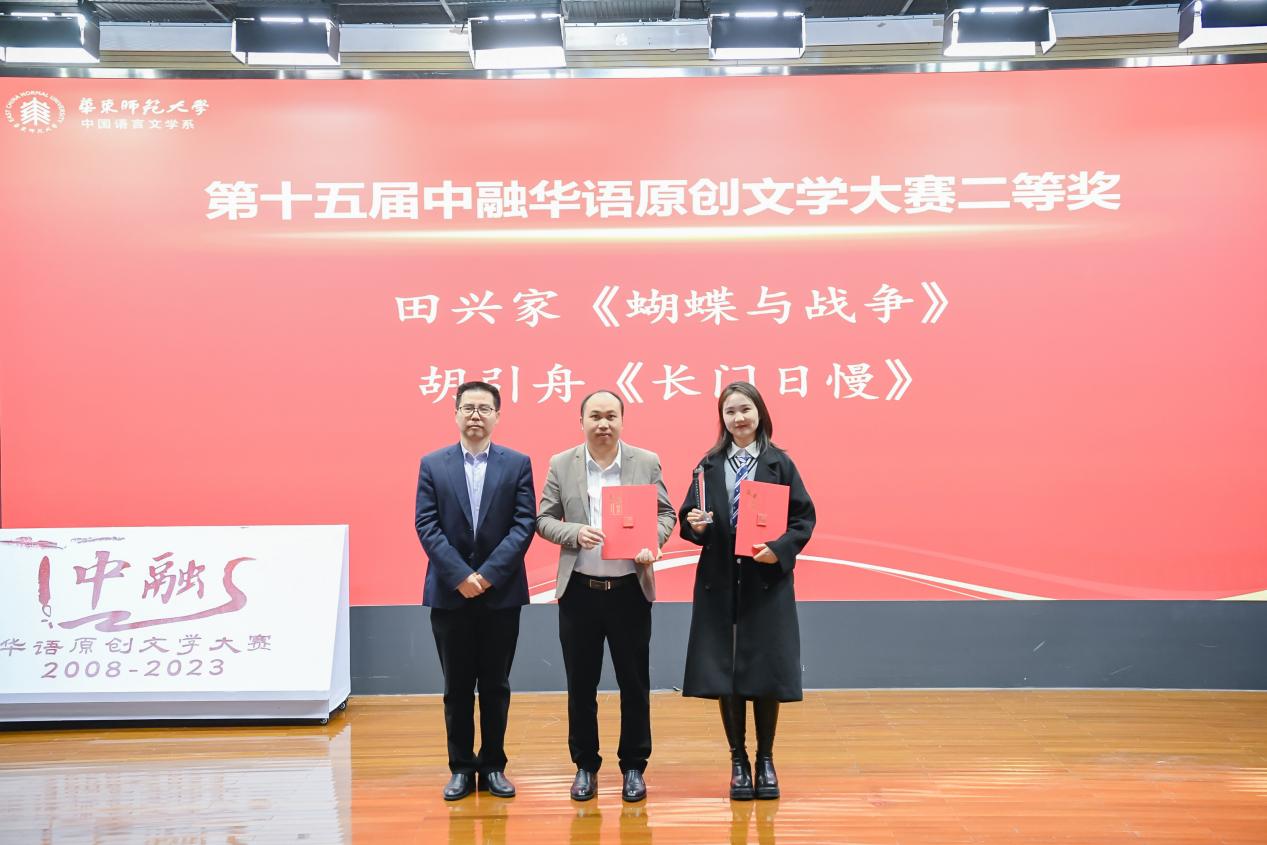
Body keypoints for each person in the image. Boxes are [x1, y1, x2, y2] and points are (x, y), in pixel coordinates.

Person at [536, 389, 677, 803]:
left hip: (629, 590)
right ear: (581, 421)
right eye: (595, 416)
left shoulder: (645, 462)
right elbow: (543, 518)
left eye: (611, 416)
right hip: (580, 592)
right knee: (581, 684)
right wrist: (573, 532)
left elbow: (666, 513)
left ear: (622, 421)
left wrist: (654, 542)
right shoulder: (562, 463)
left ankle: (634, 766)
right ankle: (585, 765)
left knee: (634, 683)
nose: (603, 424)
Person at [679, 381, 816, 801]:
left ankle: (766, 759)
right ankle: (738, 761)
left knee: (765, 670)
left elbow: (803, 519)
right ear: (721, 418)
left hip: (765, 580)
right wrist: (696, 525)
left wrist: (780, 550)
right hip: (720, 580)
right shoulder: (708, 465)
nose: (738, 418)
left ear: (760, 413)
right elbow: (690, 518)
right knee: (728, 670)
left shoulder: (779, 463)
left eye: (745, 409)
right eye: (730, 411)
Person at [415, 381, 536, 801]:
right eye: (468, 407)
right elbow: (426, 524)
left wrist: (486, 575)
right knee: (457, 687)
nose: (476, 415)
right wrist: (460, 576)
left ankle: (494, 765)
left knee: (496, 685)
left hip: (500, 595)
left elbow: (524, 524)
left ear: (497, 416)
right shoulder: (433, 464)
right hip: (450, 595)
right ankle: (462, 768)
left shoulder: (517, 464)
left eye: (485, 408)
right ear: (455, 414)